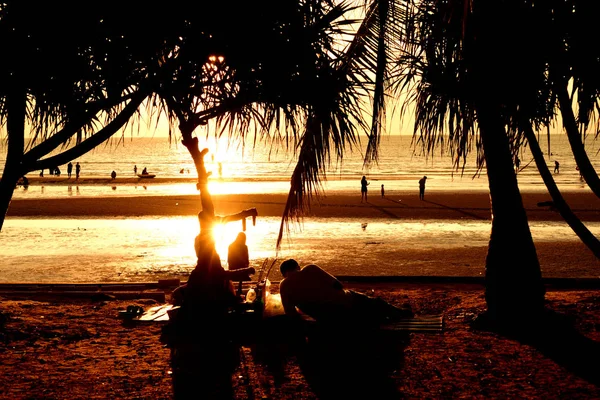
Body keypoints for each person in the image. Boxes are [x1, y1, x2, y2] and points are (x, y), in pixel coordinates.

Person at [279, 259, 412, 326]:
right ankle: (401, 312)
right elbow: (338, 285)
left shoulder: (283, 286)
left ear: (284, 273)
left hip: (325, 317)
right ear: (297, 267)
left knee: (368, 315)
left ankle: (387, 316)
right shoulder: (310, 269)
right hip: (345, 303)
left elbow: (290, 312)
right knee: (376, 303)